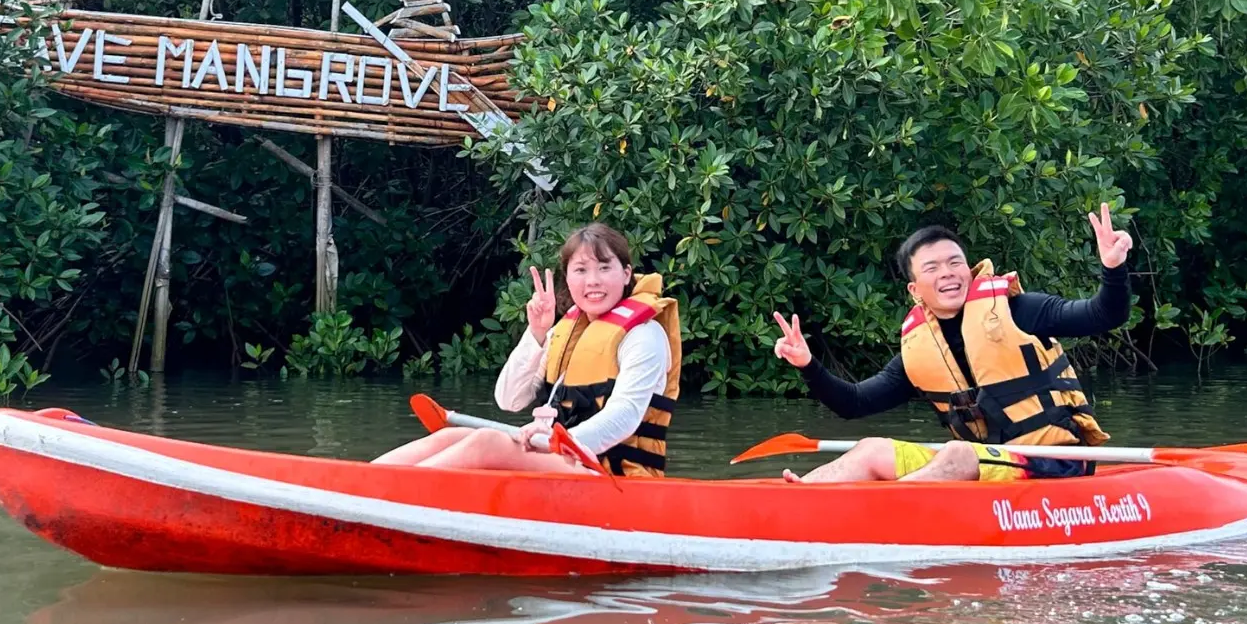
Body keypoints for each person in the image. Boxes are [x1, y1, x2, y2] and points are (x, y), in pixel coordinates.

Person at [768, 205, 1132, 483]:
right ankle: (799, 498)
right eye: (932, 268)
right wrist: (807, 365)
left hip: (1054, 462)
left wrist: (1112, 268)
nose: (946, 273)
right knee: (869, 450)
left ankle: (883, 511)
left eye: (954, 262)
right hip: (986, 465)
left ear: (968, 268)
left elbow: (1103, 315)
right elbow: (854, 403)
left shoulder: (1021, 310)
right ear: (914, 290)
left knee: (959, 453)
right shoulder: (919, 349)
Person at [375, 223, 682, 476]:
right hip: (567, 461)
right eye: (581, 270)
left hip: (620, 480)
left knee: (487, 444)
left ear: (626, 274)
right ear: (567, 277)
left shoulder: (644, 335)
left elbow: (625, 415)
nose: (593, 281)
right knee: (450, 435)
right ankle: (359, 484)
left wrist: (556, 441)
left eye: (604, 268)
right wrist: (535, 333)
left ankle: (384, 498)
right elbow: (509, 399)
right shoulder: (568, 332)